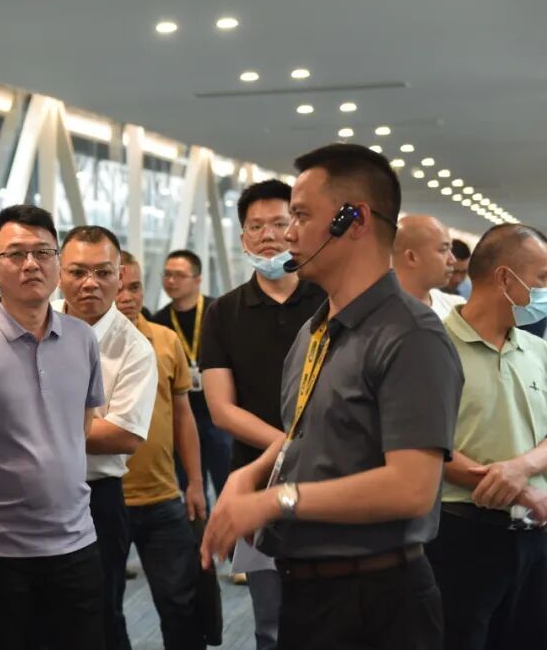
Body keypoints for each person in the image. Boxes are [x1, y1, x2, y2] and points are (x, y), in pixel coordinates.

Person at [201, 143, 462, 650]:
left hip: (376, 600)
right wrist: (249, 475)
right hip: (309, 590)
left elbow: (412, 486)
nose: (288, 234)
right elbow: (305, 435)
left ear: (353, 220)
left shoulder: (410, 335)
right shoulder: (316, 331)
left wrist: (276, 501)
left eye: (300, 216)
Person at [0, 204, 106, 650]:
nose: (31, 263)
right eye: (16, 254)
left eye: (43, 252)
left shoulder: (82, 338)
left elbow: (81, 424)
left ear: (58, 262)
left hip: (76, 543)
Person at [199, 178, 327, 650]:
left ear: (298, 227)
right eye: (256, 227)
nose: (268, 235)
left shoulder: (329, 299)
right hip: (255, 480)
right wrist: (287, 445)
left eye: (279, 223)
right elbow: (221, 409)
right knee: (270, 623)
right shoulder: (223, 311)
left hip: (331, 473)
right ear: (242, 238)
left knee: (335, 613)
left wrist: (305, 447)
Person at [425, 224, 547, 650]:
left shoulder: (537, 350)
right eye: (541, 278)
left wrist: (523, 469)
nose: (545, 291)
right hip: (461, 535)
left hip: (536, 536)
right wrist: (516, 489)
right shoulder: (431, 348)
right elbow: (424, 444)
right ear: (505, 279)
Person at [55, 227, 157, 650]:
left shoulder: (134, 348)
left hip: (96, 499)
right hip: (26, 496)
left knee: (98, 618)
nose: (89, 283)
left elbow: (123, 435)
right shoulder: (34, 324)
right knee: (31, 616)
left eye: (102, 272)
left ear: (120, 276)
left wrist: (31, 427)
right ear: (59, 273)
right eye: (78, 271)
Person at [117, 250, 208, 650]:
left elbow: (183, 417)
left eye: (135, 287)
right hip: (103, 499)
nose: (127, 297)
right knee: (103, 607)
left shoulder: (166, 340)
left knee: (181, 604)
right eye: (119, 288)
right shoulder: (81, 341)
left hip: (163, 497)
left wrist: (195, 484)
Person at [152, 250, 231, 503]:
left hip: (219, 415)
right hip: (182, 416)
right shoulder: (160, 321)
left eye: (179, 275)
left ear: (198, 280)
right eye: (167, 274)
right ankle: (199, 528)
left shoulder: (219, 312)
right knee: (191, 489)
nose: (171, 281)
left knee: (228, 484)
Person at [393, 215, 462, 319]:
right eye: (443, 250)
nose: (452, 260)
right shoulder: (377, 312)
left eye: (450, 250)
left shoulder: (456, 307)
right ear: (411, 257)